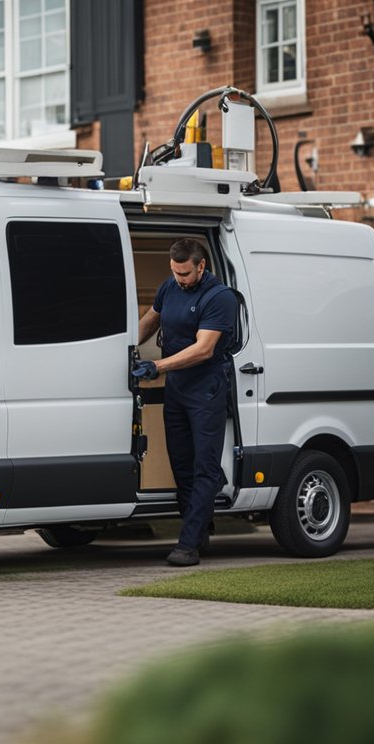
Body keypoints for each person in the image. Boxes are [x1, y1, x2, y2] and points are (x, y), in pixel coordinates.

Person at [133, 238, 237, 567]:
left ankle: (188, 544)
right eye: (175, 272)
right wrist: (125, 345)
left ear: (201, 266)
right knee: (181, 463)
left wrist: (158, 366)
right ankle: (200, 528)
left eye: (185, 273)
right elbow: (152, 319)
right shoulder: (170, 286)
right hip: (177, 387)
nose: (180, 278)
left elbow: (204, 349)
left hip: (206, 386)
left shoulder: (219, 298)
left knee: (203, 465)